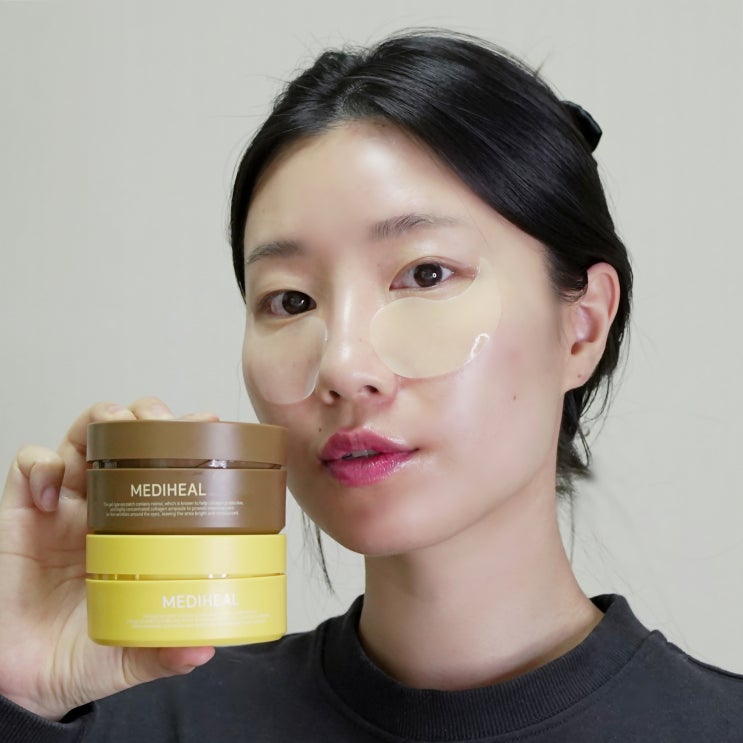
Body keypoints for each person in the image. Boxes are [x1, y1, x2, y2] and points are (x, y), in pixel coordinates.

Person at [1, 29, 741, 742]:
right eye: (291, 300)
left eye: (425, 273)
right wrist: (20, 695)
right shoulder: (133, 718)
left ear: (581, 327)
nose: (342, 365)